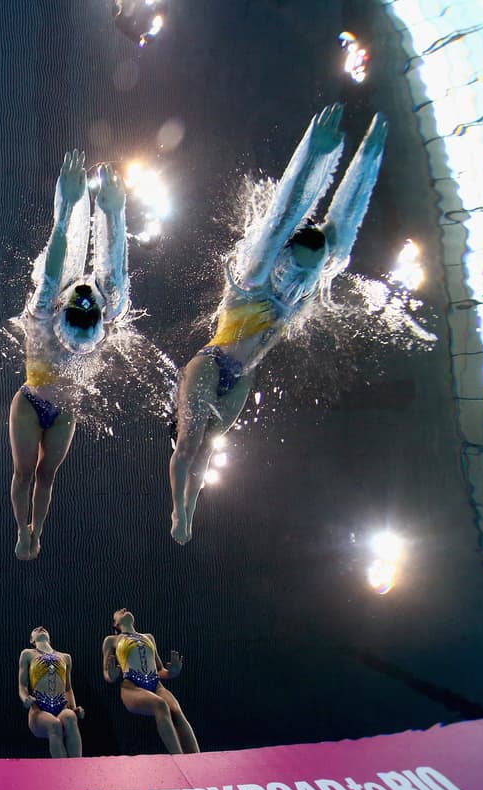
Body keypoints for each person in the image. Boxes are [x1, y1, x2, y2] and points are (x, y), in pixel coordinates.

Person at [170, 106, 388, 543]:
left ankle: (181, 510)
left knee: (192, 441)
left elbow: (281, 216)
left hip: (214, 360)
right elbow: (339, 228)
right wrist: (368, 159)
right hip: (240, 371)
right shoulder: (299, 289)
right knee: (338, 249)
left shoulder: (253, 279)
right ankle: (368, 155)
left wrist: (313, 152)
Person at [11, 151, 131, 559]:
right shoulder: (105, 312)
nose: (83, 295)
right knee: (25, 473)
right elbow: (115, 269)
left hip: (62, 411)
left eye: (81, 305)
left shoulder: (47, 310)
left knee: (44, 476)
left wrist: (66, 209)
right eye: (86, 303)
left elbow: (55, 259)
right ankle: (23, 529)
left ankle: (35, 532)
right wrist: (114, 213)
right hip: (31, 403)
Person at [102, 608, 198, 754]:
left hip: (156, 685)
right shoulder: (111, 640)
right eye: (119, 611)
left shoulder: (148, 637)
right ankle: (179, 758)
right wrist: (111, 675)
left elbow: (159, 670)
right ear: (115, 624)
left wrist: (172, 672)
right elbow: (106, 673)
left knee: (177, 711)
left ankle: (196, 758)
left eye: (125, 610)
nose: (124, 610)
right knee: (160, 705)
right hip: (131, 687)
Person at [17, 626, 84, 757]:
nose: (40, 628)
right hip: (38, 710)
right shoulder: (27, 654)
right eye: (36, 630)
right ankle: (61, 769)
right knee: (54, 724)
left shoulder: (66, 657)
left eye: (44, 629)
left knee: (70, 717)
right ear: (32, 640)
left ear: (49, 638)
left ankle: (77, 765)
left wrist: (74, 708)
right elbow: (22, 685)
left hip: (61, 707)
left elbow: (68, 688)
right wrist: (25, 699)